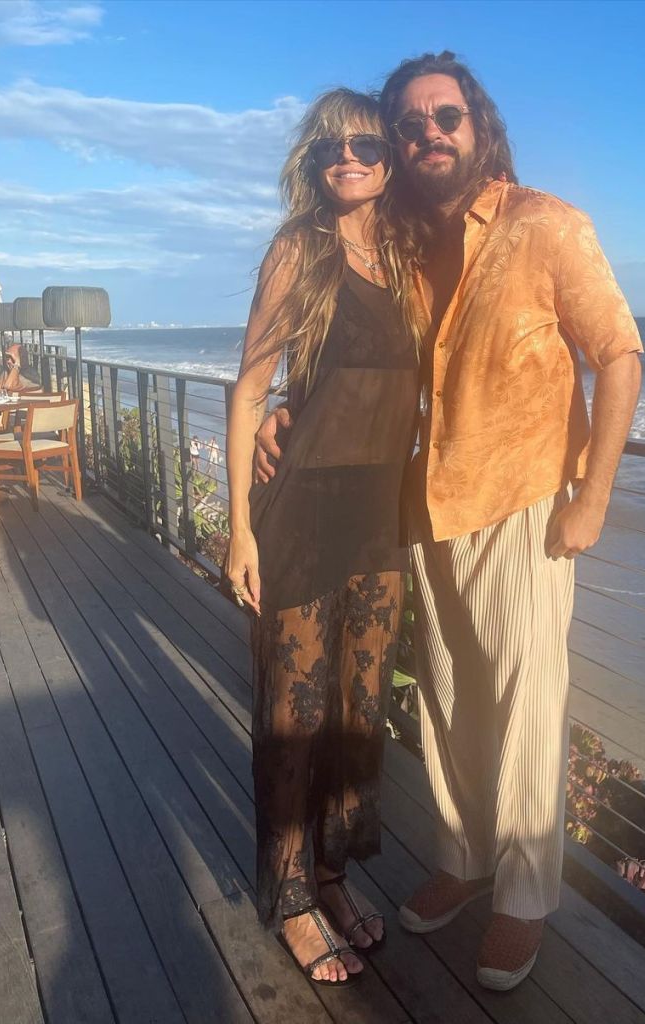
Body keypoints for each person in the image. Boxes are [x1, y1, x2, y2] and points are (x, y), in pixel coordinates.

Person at [255, 52, 643, 991]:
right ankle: (466, 861)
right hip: (426, 507)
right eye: (411, 122)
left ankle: (521, 900)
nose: (428, 132)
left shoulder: (548, 225)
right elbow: (352, 346)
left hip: (525, 504)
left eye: (446, 117)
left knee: (525, 705)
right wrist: (283, 401)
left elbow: (621, 356)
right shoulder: (404, 242)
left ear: (479, 128)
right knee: (445, 702)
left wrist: (592, 496)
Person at [225, 88, 421, 987]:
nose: (350, 155)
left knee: (356, 712)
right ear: (316, 157)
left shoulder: (407, 254)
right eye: (333, 144)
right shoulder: (299, 251)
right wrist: (238, 532)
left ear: (391, 157)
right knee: (294, 719)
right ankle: (292, 896)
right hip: (301, 511)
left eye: (367, 142)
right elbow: (246, 388)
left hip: (378, 519)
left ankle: (333, 876)